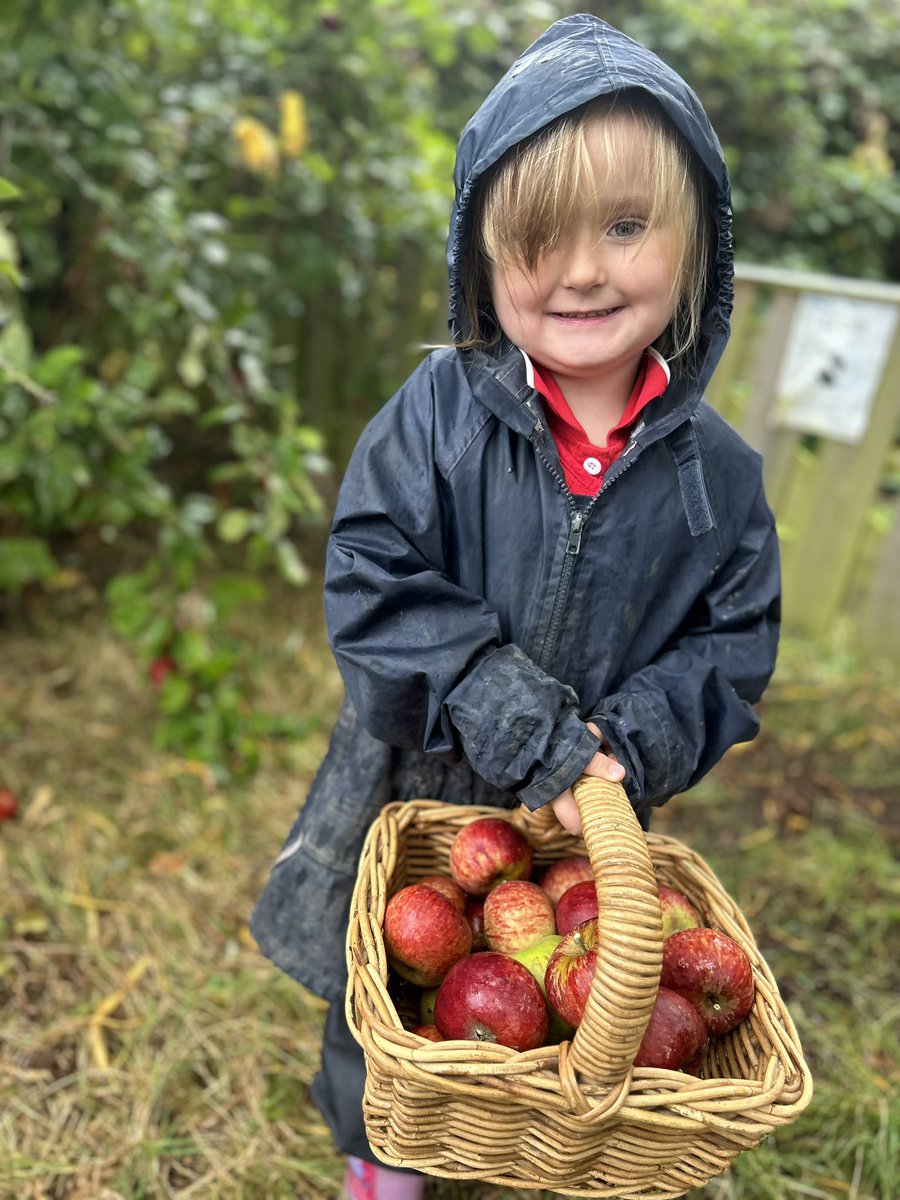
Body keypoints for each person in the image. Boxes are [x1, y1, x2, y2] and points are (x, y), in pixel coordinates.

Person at [251, 14, 780, 1200]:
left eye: (629, 226)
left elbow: (735, 645)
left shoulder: (720, 479)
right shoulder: (435, 417)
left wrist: (620, 748)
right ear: (482, 257)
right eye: (541, 237)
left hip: (590, 811)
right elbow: (372, 580)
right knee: (383, 989)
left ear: (700, 245)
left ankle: (524, 1139)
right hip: (419, 776)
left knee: (558, 1004)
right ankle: (382, 1154)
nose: (584, 268)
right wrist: (509, 713)